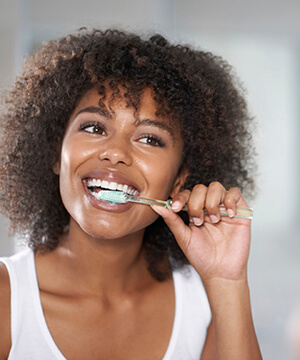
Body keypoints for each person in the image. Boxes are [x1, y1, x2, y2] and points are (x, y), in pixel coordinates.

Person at [0, 28, 262, 359]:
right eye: (94, 128)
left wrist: (228, 282)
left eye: (150, 139)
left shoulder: (203, 304)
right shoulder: (6, 298)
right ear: (56, 153)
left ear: (180, 178)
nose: (115, 152)